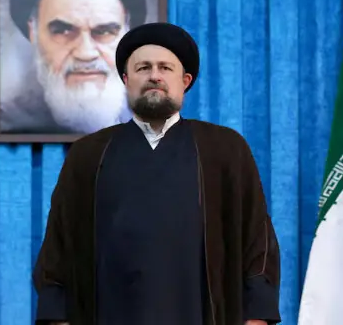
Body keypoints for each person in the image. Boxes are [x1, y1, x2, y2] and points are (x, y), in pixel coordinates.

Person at [32, 22, 281, 325]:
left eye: (165, 68)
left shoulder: (225, 149)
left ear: (185, 80)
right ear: (126, 79)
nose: (154, 76)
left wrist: (257, 316)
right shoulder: (89, 154)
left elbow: (257, 241)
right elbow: (60, 247)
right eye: (143, 68)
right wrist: (57, 317)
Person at [0, 0, 149, 135]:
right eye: (63, 31)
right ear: (33, 32)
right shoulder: (7, 125)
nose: (85, 53)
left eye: (104, 32)